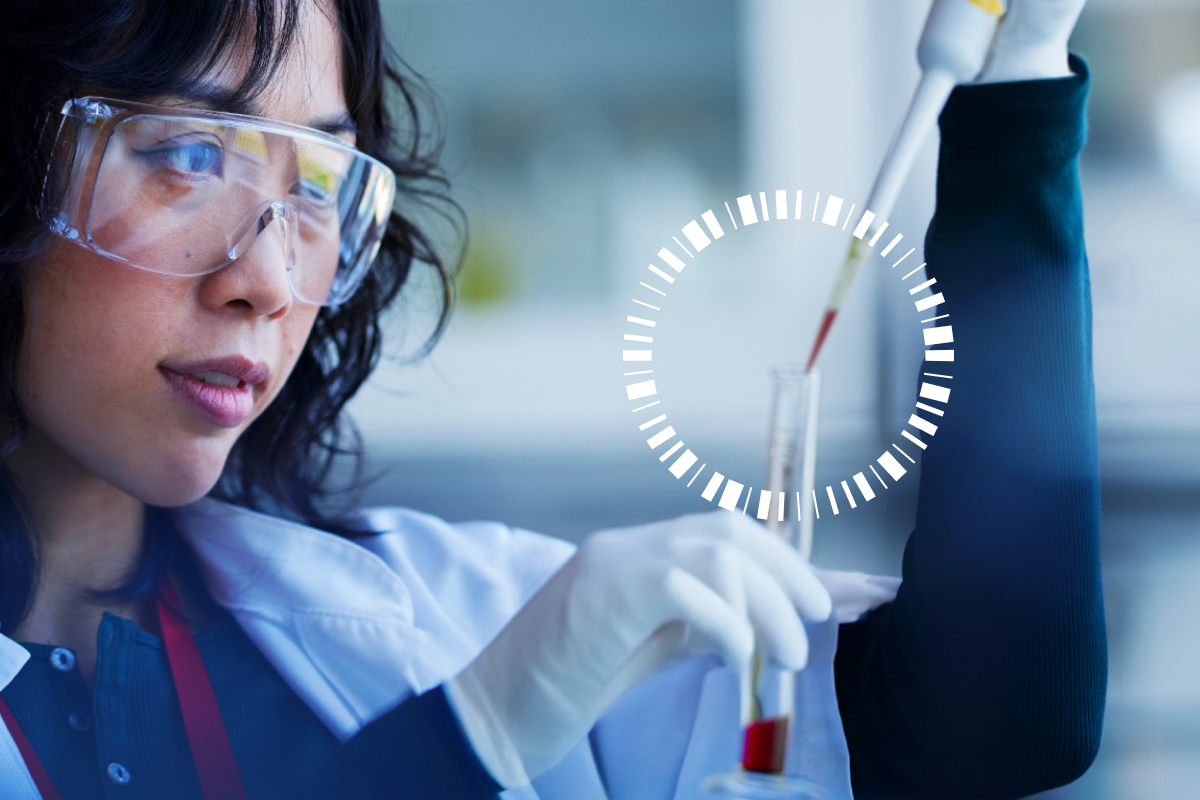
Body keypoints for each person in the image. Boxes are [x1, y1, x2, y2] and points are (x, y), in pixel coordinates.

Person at [0, 0, 1104, 798]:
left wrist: (1017, 96)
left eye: (318, 182)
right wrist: (470, 738)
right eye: (192, 153)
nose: (272, 279)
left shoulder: (419, 612)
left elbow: (994, 714)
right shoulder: (490, 675)